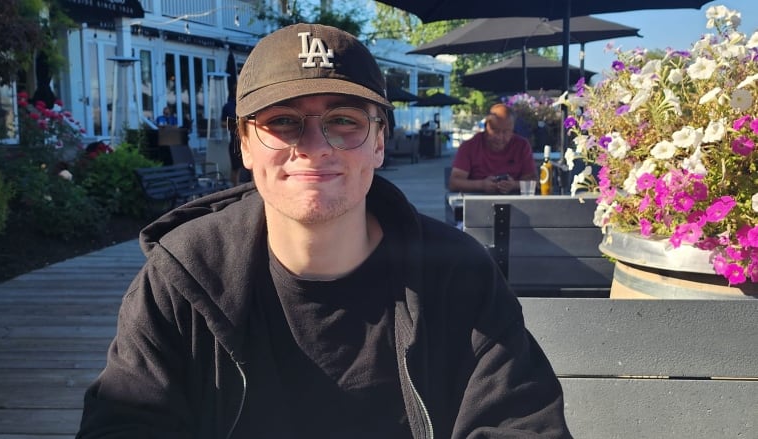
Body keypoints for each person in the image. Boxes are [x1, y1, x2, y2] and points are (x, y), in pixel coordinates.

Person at [77, 23, 571, 438]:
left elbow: (520, 423)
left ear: (379, 142)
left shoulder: (458, 275)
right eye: (283, 122)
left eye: (344, 120)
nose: (314, 146)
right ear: (244, 144)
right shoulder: (182, 276)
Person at [449, 103, 537, 194]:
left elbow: (533, 181)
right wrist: (481, 185)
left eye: (506, 132)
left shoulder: (522, 146)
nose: (500, 137)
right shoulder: (469, 147)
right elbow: (454, 183)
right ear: (486, 127)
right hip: (477, 201)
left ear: (513, 129)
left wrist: (513, 185)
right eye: (495, 130)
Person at [222, 91, 252, 185]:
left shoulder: (248, 104)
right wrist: (236, 125)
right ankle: (235, 190)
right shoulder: (228, 106)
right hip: (235, 140)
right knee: (235, 168)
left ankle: (254, 189)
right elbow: (222, 123)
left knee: (252, 165)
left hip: (248, 140)